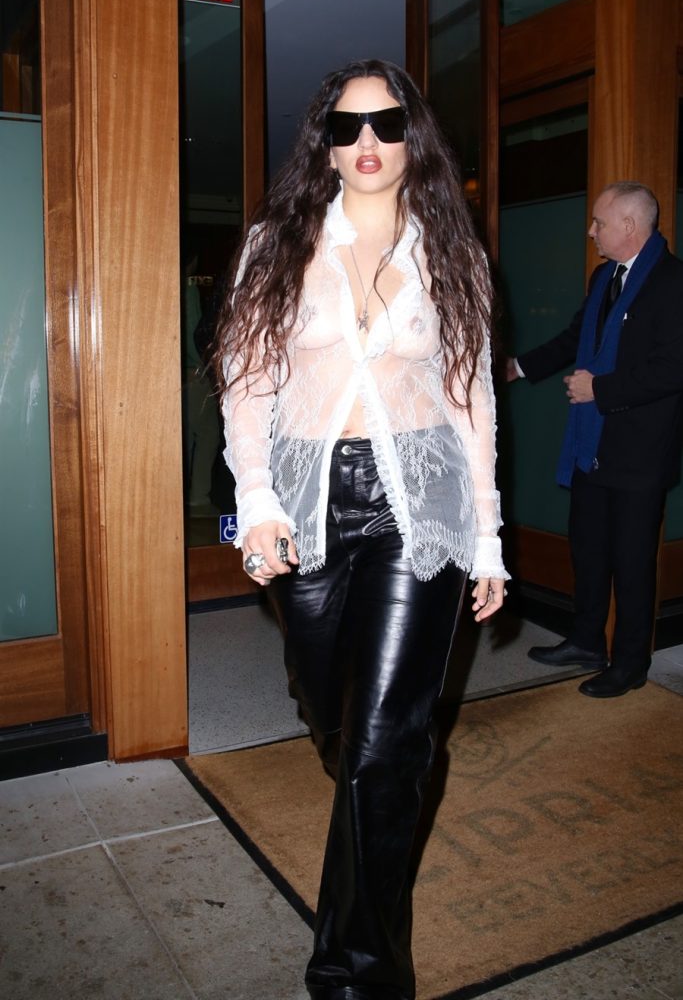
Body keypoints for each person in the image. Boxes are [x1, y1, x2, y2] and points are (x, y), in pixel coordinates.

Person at [213, 58, 508, 1000]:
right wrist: (257, 500)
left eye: (386, 124)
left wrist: (488, 536)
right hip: (307, 499)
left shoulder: (451, 250)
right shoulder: (276, 245)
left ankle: (355, 976)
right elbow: (246, 383)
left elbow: (471, 401)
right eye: (347, 128)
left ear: (414, 137)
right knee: (334, 715)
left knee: (385, 743)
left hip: (420, 498)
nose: (368, 142)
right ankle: (374, 774)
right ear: (326, 146)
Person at [507, 182, 683, 699]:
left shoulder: (674, 282)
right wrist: (519, 367)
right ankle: (586, 641)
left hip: (639, 451)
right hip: (593, 445)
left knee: (631, 562)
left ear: (629, 225)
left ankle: (630, 664)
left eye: (599, 222)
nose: (591, 232)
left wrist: (599, 390)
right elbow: (575, 336)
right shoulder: (604, 277)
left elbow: (673, 368)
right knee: (588, 550)